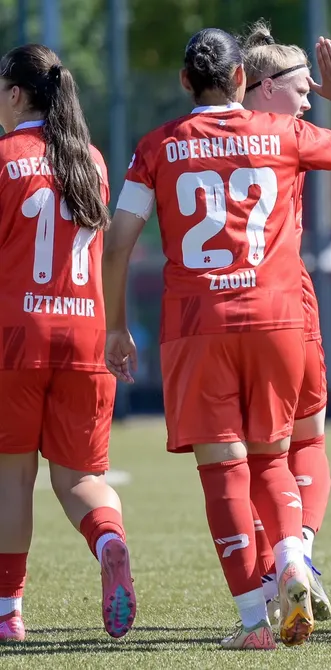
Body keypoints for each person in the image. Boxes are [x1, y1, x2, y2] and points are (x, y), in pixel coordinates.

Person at [101, 28, 331, 649]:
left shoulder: (158, 146)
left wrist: (117, 324)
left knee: (222, 472)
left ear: (183, 82)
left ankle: (255, 623)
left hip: (197, 327)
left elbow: (118, 241)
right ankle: (295, 561)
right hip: (278, 318)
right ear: (244, 81)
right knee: (274, 458)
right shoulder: (283, 133)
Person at [0, 44, 136, 642]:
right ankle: (109, 540)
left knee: (11, 476)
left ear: (14, 94)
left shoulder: (4, 157)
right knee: (78, 479)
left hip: (15, 337)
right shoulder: (92, 160)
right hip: (85, 335)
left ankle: (7, 614)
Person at [239, 20, 331, 622]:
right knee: (306, 437)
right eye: (301, 89)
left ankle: (278, 568)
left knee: (244, 455)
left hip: (209, 307)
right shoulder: (289, 135)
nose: (308, 99)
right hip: (282, 299)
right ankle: (296, 554)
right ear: (265, 85)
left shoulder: (193, 134)